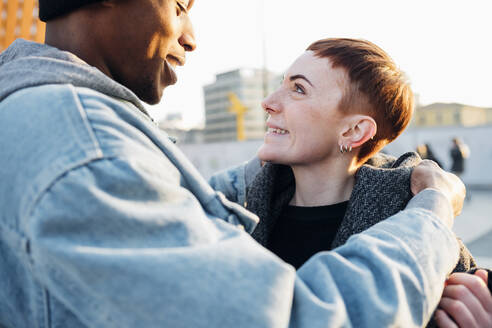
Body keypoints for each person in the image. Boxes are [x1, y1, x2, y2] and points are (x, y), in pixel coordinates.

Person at [0, 1, 467, 327]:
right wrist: (433, 212)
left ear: (354, 132)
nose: (192, 37)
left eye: (298, 89)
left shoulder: (65, 127)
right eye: (180, 4)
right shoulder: (89, 149)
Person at [209, 38, 488, 326]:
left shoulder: (406, 222)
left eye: (298, 89)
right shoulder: (237, 211)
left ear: (354, 131)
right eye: (282, 84)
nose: (267, 103)